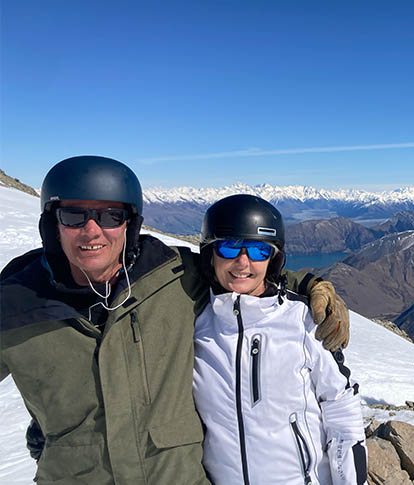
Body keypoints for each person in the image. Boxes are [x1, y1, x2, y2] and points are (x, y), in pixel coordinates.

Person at [0, 155, 350, 484]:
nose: (93, 231)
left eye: (110, 216)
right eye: (74, 216)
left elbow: (242, 276)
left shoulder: (169, 275)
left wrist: (312, 286)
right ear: (52, 224)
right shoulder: (16, 306)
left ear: (129, 224)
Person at [193, 194, 367, 485]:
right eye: (229, 247)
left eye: (259, 251)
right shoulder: (197, 324)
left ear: (273, 259)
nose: (242, 262)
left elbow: (340, 408)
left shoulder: (303, 321)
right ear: (210, 254)